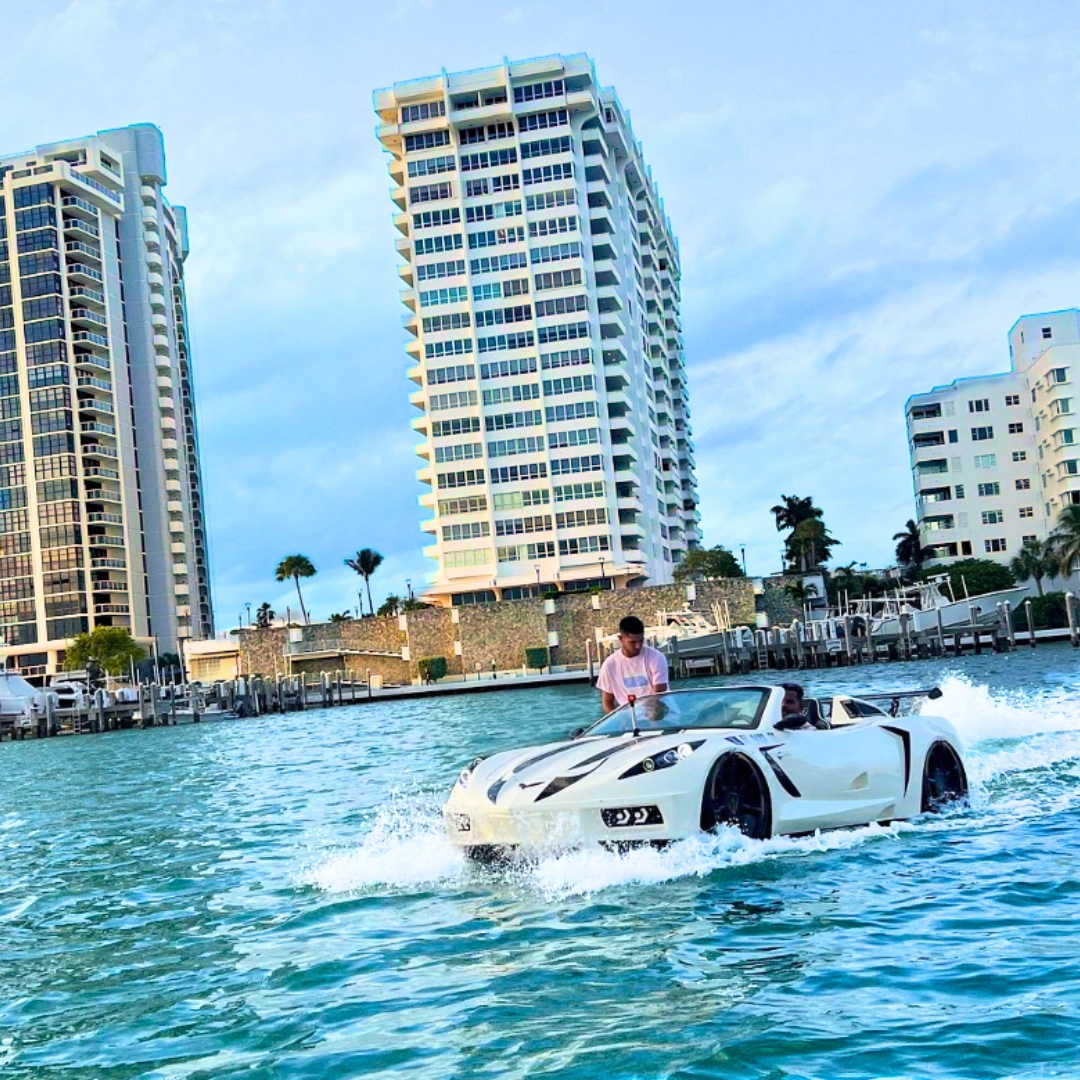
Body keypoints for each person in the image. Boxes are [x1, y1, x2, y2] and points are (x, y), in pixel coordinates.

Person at [597, 615, 669, 713]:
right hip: (629, 720)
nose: (638, 646)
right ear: (620, 639)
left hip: (662, 716)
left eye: (641, 641)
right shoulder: (609, 665)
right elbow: (607, 703)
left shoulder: (656, 658)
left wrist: (652, 723)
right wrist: (619, 721)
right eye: (632, 642)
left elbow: (658, 696)